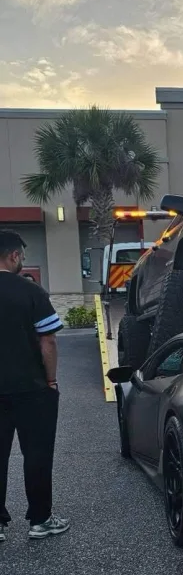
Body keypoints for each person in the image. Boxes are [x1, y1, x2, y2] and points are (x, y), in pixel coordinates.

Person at [0, 230, 69, 541]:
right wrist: (51, 380)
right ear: (14, 256)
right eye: (22, 256)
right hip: (32, 389)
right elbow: (48, 340)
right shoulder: (31, 292)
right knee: (38, 455)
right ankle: (40, 521)